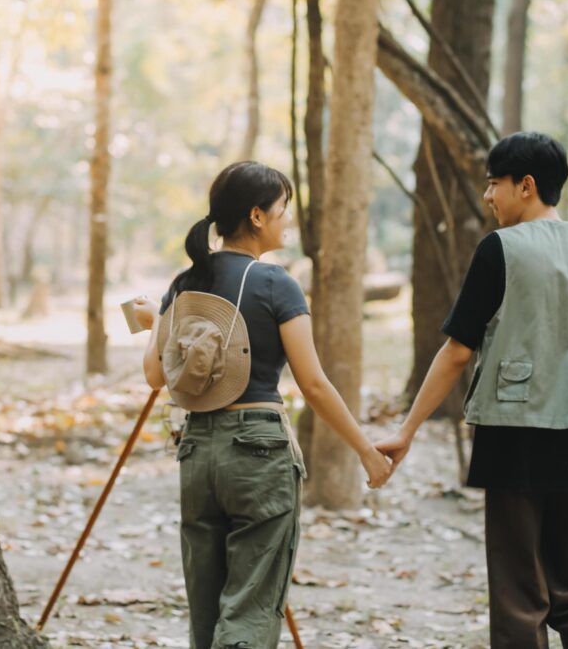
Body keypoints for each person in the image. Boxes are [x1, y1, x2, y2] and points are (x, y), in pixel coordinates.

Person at [376, 132, 568, 649]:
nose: (488, 196)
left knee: (521, 598)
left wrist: (407, 431)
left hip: (511, 435)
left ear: (526, 185)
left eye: (494, 183)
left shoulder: (501, 249)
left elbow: (457, 352)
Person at [132, 160, 392, 649]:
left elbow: (154, 375)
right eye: (282, 209)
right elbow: (313, 384)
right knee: (250, 608)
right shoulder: (277, 284)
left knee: (206, 613)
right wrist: (366, 451)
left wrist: (158, 323)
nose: (286, 219)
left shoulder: (185, 282)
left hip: (198, 451)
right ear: (256, 216)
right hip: (259, 453)